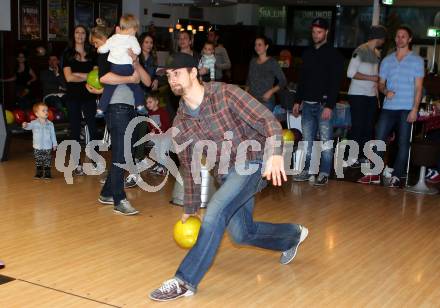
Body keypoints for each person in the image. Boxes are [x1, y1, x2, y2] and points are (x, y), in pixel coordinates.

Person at [149, 53, 308, 302]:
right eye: (168, 75)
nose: (171, 79)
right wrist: (190, 207)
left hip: (253, 163)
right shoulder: (181, 121)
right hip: (225, 175)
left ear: (194, 72)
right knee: (241, 234)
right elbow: (189, 165)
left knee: (215, 212)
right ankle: (292, 236)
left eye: (176, 72)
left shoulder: (225, 94)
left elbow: (267, 119)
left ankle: (184, 280)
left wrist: (275, 153)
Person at [358, 26, 424, 187]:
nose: (399, 39)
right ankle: (375, 174)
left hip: (407, 107)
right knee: (379, 139)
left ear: (409, 39)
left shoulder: (417, 60)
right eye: (397, 36)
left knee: (402, 143)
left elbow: (419, 87)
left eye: (403, 36)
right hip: (388, 108)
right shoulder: (387, 60)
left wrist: (415, 109)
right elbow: (380, 84)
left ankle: (397, 175)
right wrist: (386, 91)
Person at [89, 25, 144, 215]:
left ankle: (106, 193)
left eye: (96, 42)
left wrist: (135, 67)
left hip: (129, 106)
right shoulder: (105, 55)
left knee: (125, 151)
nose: (97, 47)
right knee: (121, 153)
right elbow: (106, 78)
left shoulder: (127, 50)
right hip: (116, 107)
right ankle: (119, 199)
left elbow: (139, 80)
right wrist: (130, 78)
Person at [292, 18, 344, 186]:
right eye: (314, 32)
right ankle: (307, 170)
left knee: (326, 140)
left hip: (323, 105)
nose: (316, 35)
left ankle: (324, 172)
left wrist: (329, 105)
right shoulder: (307, 53)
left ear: (326, 32)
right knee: (307, 141)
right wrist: (297, 100)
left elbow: (335, 82)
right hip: (307, 104)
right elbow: (302, 80)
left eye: (319, 32)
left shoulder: (334, 55)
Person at [346, 25, 387, 169]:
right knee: (357, 127)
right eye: (383, 37)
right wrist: (371, 78)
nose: (384, 40)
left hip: (370, 96)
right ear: (379, 37)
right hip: (357, 95)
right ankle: (351, 157)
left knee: (368, 128)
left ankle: (363, 156)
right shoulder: (360, 50)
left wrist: (376, 96)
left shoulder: (376, 53)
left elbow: (376, 79)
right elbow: (350, 73)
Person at [62, 25, 98, 176]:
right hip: (73, 97)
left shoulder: (92, 53)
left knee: (93, 128)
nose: (80, 35)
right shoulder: (67, 54)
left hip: (90, 95)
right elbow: (69, 77)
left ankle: (96, 162)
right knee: (75, 130)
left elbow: (96, 75)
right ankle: (76, 164)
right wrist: (87, 75)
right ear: (73, 35)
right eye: (77, 32)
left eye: (83, 33)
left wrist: (79, 74)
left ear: (86, 36)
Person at [96, 14, 146, 118]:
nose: (135, 33)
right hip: (127, 68)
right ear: (133, 29)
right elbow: (138, 50)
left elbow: (103, 49)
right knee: (136, 88)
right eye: (135, 30)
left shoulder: (113, 38)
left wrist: (99, 49)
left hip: (115, 68)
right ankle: (140, 106)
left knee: (108, 89)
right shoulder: (132, 39)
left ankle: (100, 109)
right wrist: (134, 54)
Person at [246, 36, 287, 112]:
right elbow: (248, 80)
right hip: (251, 101)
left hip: (266, 102)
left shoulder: (272, 62)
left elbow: (283, 81)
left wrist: (270, 92)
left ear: (266, 47)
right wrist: (245, 94)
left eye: (260, 44)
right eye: (255, 45)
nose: (257, 47)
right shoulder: (253, 61)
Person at [22, 102, 57, 179]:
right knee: (38, 160)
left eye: (47, 110)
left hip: (47, 146)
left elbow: (53, 135)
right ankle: (39, 173)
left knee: (47, 160)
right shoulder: (34, 123)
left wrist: (54, 144)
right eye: (43, 110)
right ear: (37, 114)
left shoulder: (50, 124)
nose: (46, 112)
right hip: (37, 146)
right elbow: (28, 126)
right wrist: (25, 125)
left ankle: (48, 173)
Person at [144, 92, 171, 175]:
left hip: (165, 136)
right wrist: (151, 131)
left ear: (156, 102)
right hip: (157, 137)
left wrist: (156, 131)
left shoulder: (162, 112)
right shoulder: (149, 114)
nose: (148, 105)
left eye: (150, 102)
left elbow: (166, 124)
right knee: (157, 152)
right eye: (147, 103)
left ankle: (163, 168)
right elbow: (149, 124)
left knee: (162, 152)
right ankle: (159, 165)